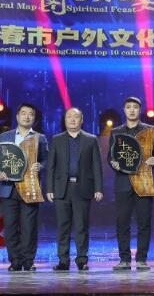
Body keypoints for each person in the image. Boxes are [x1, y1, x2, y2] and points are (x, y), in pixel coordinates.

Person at [46, 108, 104, 271]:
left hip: (83, 188)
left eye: (76, 117)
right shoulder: (57, 139)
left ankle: (82, 260)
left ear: (82, 120)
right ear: (65, 120)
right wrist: (49, 188)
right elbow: (51, 166)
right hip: (61, 189)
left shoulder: (91, 139)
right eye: (69, 116)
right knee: (63, 227)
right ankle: (63, 261)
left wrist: (98, 188)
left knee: (81, 227)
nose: (72, 119)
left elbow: (96, 166)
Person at [108, 96, 154, 271]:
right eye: (128, 107)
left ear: (140, 110)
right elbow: (110, 157)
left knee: (144, 222)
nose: (131, 110)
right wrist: (113, 163)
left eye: (135, 107)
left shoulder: (150, 130)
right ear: (124, 110)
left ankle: (142, 259)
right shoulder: (116, 132)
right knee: (122, 222)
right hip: (123, 182)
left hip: (144, 181)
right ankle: (124, 259)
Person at [0, 103, 48, 271]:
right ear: (17, 116)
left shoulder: (40, 138)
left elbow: (47, 160)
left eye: (30, 114)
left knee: (29, 227)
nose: (27, 116)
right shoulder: (5, 136)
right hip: (8, 187)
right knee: (10, 227)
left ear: (34, 118)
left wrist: (40, 166)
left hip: (30, 187)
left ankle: (28, 261)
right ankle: (15, 261)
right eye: (24, 113)